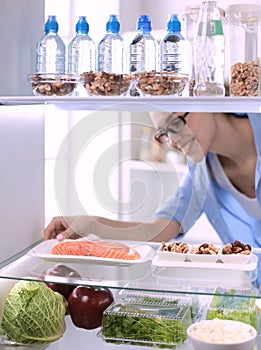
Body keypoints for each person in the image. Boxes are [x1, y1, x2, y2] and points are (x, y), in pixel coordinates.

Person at [44, 112, 261, 250]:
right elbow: (160, 230)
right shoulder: (202, 171)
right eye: (165, 134)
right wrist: (90, 224)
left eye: (176, 123)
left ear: (208, 96)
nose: (173, 143)